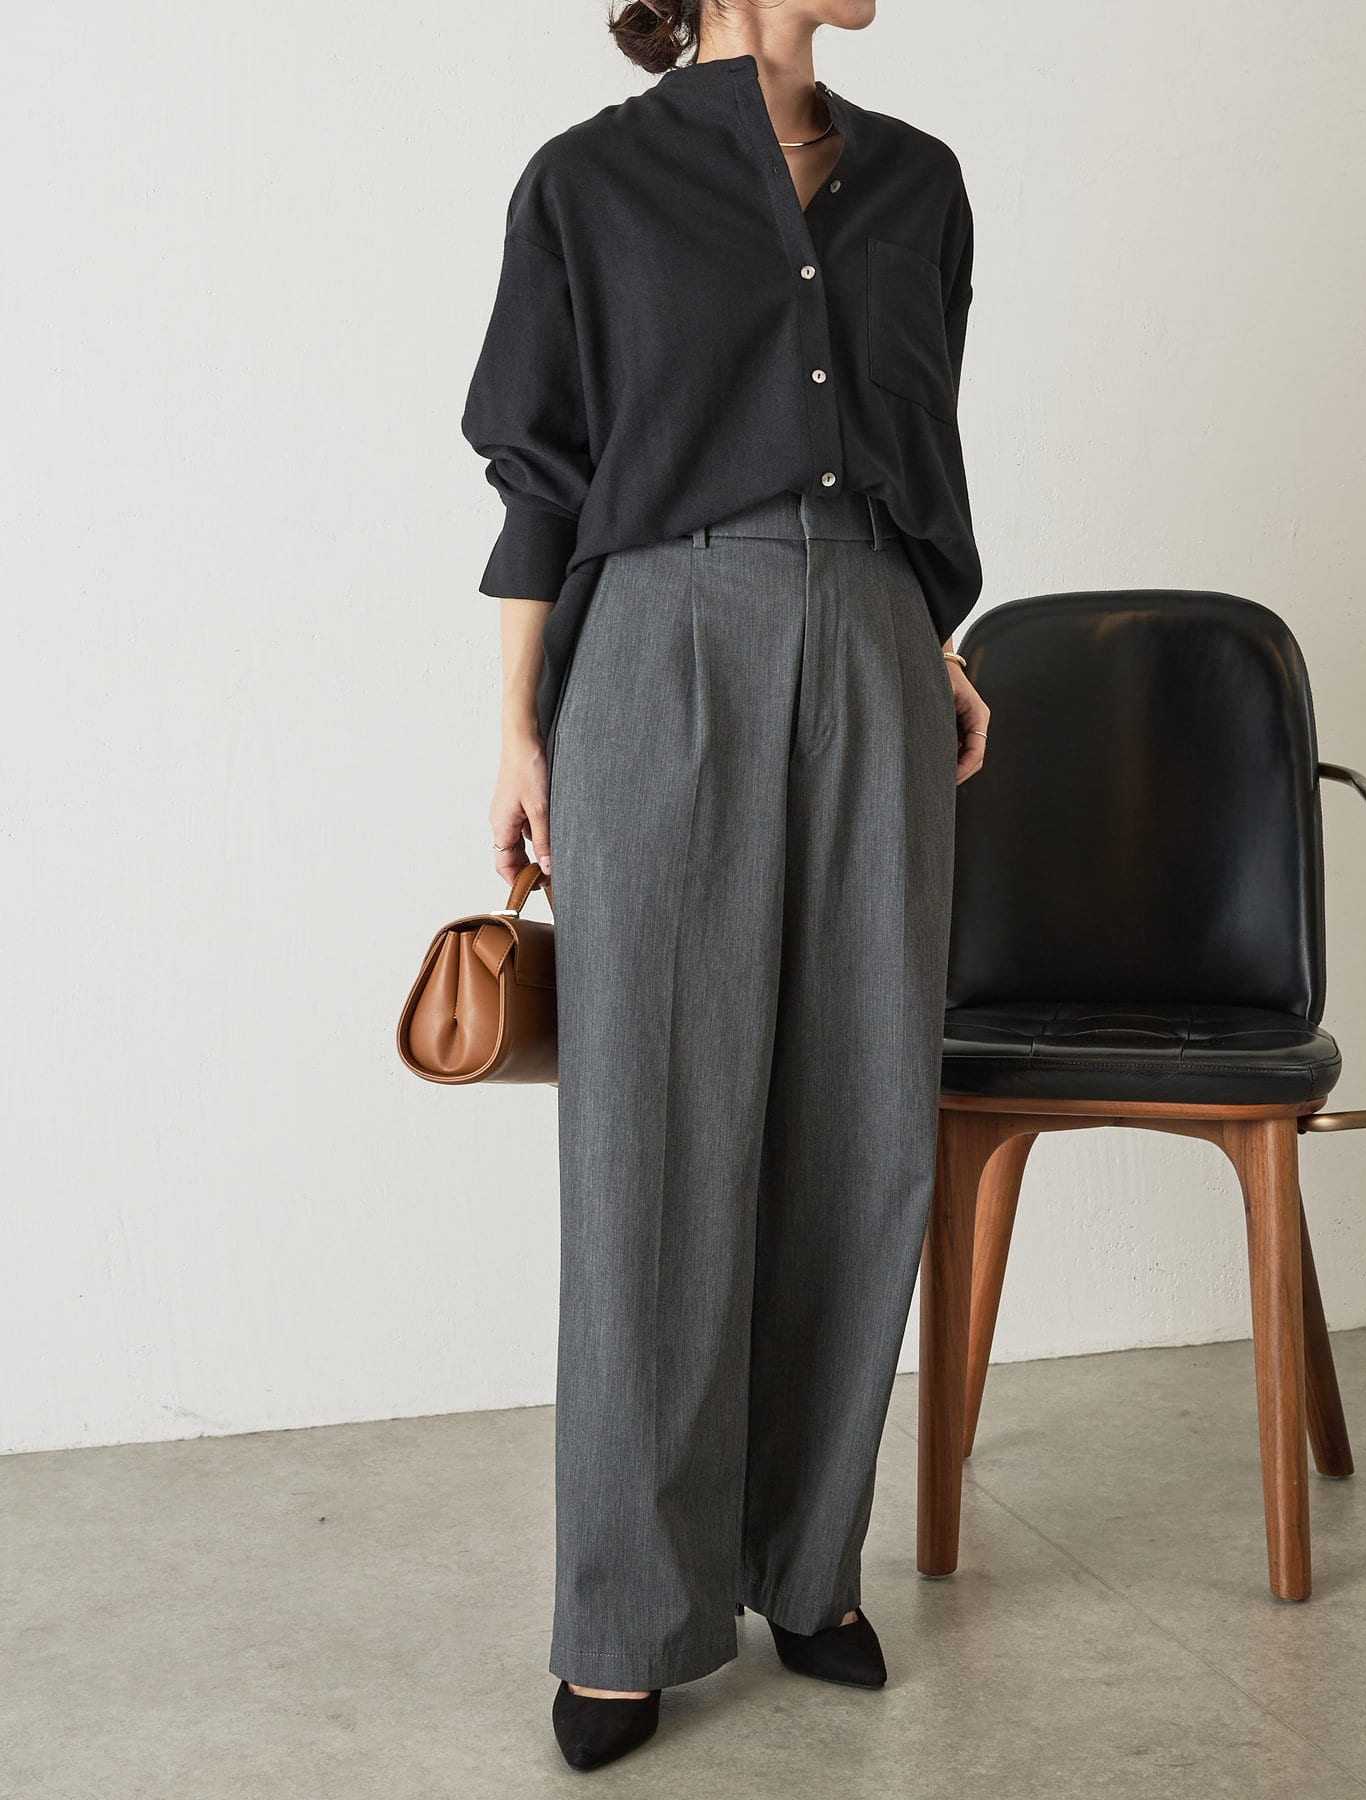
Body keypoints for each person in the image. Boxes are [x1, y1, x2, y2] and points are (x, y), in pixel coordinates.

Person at [460, 0, 988, 1771]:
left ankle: (806, 1563)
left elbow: (916, 445)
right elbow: (543, 469)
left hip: (878, 642)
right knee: (651, 1132)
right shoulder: (588, 184)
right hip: (662, 636)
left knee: (865, 1118)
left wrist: (932, 638)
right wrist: (517, 724)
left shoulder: (920, 184)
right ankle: (628, 1615)